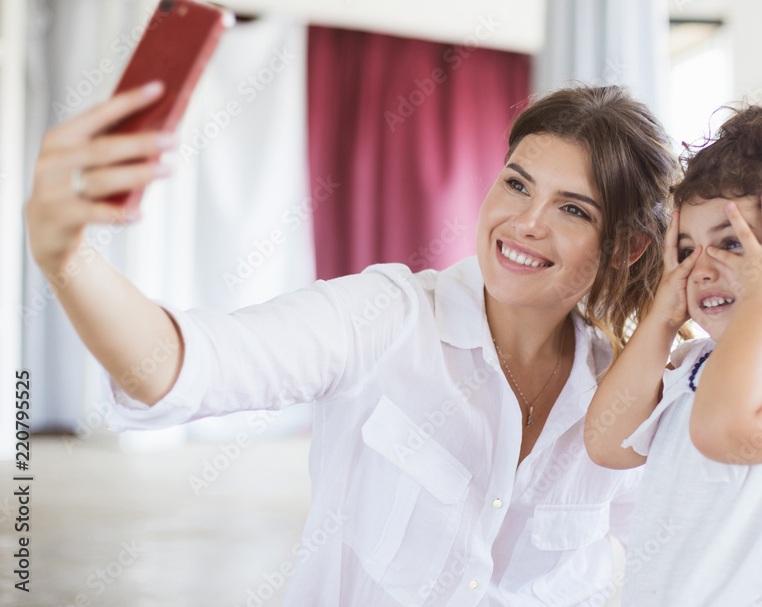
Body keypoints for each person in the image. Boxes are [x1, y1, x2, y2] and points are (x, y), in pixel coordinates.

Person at [24, 83, 681, 605]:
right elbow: (170, 366)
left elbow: (677, 547)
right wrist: (66, 256)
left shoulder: (621, 392)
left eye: (573, 209)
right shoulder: (384, 317)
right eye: (516, 183)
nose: (525, 222)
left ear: (626, 246)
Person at [584, 102, 762, 606]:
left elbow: (725, 433)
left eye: (733, 244)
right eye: (685, 250)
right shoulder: (695, 361)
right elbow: (608, 445)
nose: (702, 268)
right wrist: (661, 320)